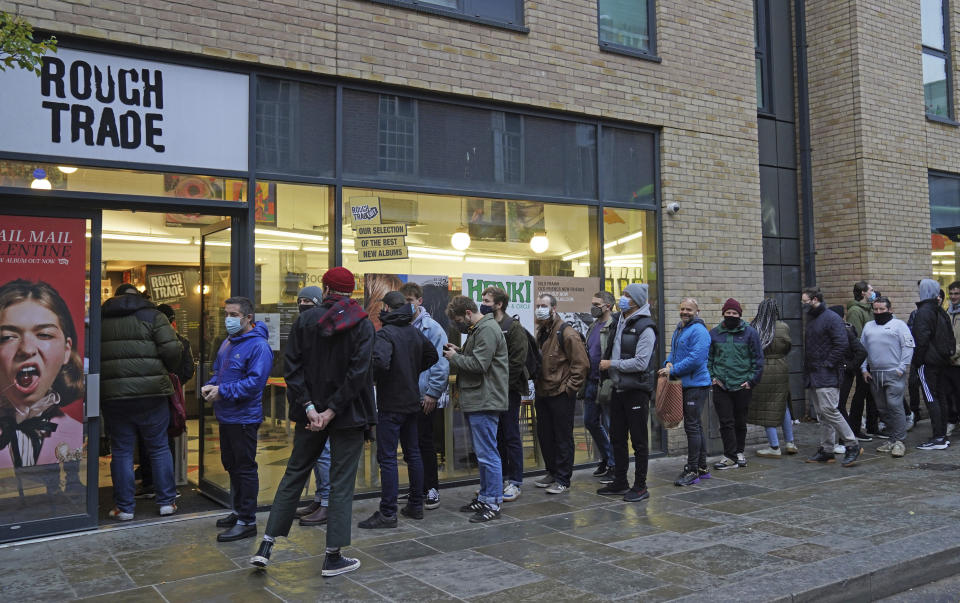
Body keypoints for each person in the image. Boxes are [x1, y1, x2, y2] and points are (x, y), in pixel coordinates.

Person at [251, 267, 376, 577]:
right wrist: (332, 411)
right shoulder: (362, 324)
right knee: (342, 482)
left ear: (324, 287)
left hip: (309, 414)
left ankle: (266, 546)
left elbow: (291, 367)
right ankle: (333, 556)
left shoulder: (305, 320)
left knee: (294, 472)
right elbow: (358, 374)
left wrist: (310, 407)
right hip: (348, 415)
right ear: (353, 289)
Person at [101, 283, 182, 520]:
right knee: (158, 447)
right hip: (152, 394)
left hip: (114, 395)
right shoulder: (154, 316)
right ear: (139, 296)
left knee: (122, 451)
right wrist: (164, 370)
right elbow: (173, 349)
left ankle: (124, 508)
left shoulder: (101, 318)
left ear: (115, 298)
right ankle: (167, 502)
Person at [358, 291, 438, 529]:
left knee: (388, 458)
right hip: (412, 401)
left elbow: (380, 362)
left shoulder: (385, 333)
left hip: (391, 403)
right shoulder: (413, 332)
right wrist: (412, 369)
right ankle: (415, 504)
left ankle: (388, 512)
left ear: (389, 309)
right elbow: (432, 355)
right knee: (413, 454)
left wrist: (375, 378)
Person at [202, 297, 272, 542]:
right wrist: (211, 386)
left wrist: (222, 391)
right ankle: (238, 510)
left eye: (233, 314)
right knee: (231, 465)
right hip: (227, 416)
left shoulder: (259, 347)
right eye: (226, 313)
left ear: (248, 318)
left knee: (244, 468)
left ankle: (247, 520)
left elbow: (254, 384)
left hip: (244, 417)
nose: (228, 319)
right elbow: (219, 374)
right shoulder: (228, 342)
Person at [0, 280, 85, 473]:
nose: (27, 349)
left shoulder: (76, 433)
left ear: (66, 350)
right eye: (7, 337)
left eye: (45, 335)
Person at [443, 295, 508, 522]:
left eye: (459, 319)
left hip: (485, 399)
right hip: (479, 397)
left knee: (488, 454)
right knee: (483, 454)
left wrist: (454, 358)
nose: (458, 324)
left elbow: (480, 365)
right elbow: (478, 357)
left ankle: (493, 503)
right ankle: (486, 496)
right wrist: (459, 352)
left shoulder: (487, 329)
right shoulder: (479, 329)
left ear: (468, 314)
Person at [597, 284, 657, 502]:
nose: (622, 298)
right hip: (617, 388)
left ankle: (640, 486)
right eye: (623, 295)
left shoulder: (646, 327)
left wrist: (611, 363)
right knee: (617, 438)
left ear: (637, 301)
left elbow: (641, 363)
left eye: (627, 295)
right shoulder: (619, 320)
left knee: (639, 441)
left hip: (636, 390)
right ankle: (620, 481)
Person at [137, 303, 195, 500]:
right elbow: (188, 371)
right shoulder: (182, 342)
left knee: (145, 440)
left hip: (146, 396)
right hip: (170, 397)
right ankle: (167, 486)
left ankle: (149, 481)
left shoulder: (145, 340)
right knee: (164, 441)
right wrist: (175, 385)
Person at [532, 293, 589, 495]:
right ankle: (552, 472)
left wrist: (569, 388)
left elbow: (581, 364)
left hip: (560, 393)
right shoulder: (542, 331)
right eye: (537, 305)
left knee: (562, 436)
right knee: (545, 435)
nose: (539, 308)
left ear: (553, 308)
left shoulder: (567, 333)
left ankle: (563, 478)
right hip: (543, 392)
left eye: (544, 305)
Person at [401, 282, 449, 510]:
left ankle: (431, 489)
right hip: (404, 398)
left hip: (424, 397)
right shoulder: (399, 326)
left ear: (419, 301)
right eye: (404, 301)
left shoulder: (433, 328)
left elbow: (440, 364)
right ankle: (416, 488)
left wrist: (432, 393)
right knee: (410, 446)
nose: (407, 305)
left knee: (425, 444)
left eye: (410, 300)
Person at [801, 287, 862, 466]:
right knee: (823, 414)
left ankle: (852, 444)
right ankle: (827, 450)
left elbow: (841, 344)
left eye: (805, 301)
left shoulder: (830, 318)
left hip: (827, 373)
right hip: (815, 373)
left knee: (830, 410)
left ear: (814, 300)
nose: (803, 305)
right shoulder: (813, 319)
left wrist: (828, 364)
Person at [482, 286, 528, 502]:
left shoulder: (513, 327)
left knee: (510, 435)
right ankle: (498, 479)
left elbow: (517, 362)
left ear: (499, 304)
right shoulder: (486, 325)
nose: (483, 304)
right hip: (492, 389)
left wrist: (502, 386)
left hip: (508, 390)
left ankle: (515, 481)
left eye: (487, 301)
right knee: (496, 435)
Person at [292, 286, 332, 527]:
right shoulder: (302, 328)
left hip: (320, 403)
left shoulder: (323, 330)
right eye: (301, 300)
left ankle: (327, 501)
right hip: (307, 402)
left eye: (309, 300)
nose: (304, 304)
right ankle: (319, 498)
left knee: (324, 454)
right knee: (317, 456)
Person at [708, 298, 764, 470]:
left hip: (742, 385)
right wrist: (712, 377)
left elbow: (758, 358)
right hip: (721, 385)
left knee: (740, 421)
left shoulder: (750, 333)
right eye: (728, 313)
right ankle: (729, 455)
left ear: (739, 315)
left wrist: (751, 381)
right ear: (723, 314)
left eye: (734, 313)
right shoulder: (715, 333)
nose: (731, 316)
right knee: (725, 422)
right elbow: (709, 358)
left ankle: (739, 452)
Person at [661, 297, 711, 487]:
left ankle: (692, 470)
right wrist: (668, 363)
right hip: (685, 384)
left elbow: (696, 359)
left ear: (697, 311)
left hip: (696, 385)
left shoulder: (699, 331)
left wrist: (672, 370)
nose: (685, 312)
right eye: (682, 308)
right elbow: (674, 352)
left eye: (689, 309)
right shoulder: (680, 328)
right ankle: (703, 467)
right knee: (695, 425)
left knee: (692, 426)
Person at [861, 296, 914, 458]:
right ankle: (892, 439)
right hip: (875, 373)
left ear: (890, 310)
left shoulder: (899, 325)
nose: (878, 312)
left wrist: (902, 367)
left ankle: (899, 442)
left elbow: (908, 346)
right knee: (882, 408)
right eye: (875, 309)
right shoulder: (868, 326)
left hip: (894, 373)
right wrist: (863, 369)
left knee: (894, 405)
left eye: (882, 309)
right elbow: (862, 349)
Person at [748, 299, 798, 458]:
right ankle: (790, 442)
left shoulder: (755, 327)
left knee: (766, 407)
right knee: (782, 404)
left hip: (762, 367)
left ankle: (774, 446)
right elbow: (788, 346)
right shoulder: (783, 327)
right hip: (781, 366)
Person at [912, 279, 953, 451]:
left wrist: (917, 362)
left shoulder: (923, 312)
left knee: (931, 398)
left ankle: (938, 437)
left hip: (928, 363)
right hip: (941, 361)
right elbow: (950, 338)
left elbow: (921, 340)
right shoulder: (940, 311)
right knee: (940, 397)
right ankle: (941, 436)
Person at [583, 291, 617, 482]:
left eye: (597, 304)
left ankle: (613, 464)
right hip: (591, 381)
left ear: (608, 306)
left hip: (607, 382)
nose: (593, 307)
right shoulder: (593, 326)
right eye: (593, 303)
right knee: (590, 421)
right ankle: (606, 456)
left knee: (611, 425)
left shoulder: (614, 326)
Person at [846, 281, 881, 439]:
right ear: (863, 293)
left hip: (873, 356)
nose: (873, 292)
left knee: (872, 394)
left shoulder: (871, 309)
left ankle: (872, 426)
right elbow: (857, 337)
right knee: (861, 393)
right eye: (871, 290)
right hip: (862, 358)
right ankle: (855, 428)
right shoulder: (855, 311)